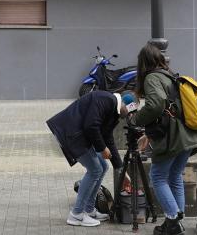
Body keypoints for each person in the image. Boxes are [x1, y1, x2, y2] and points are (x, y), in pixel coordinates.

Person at [131, 43, 197, 235]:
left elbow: (156, 105)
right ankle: (177, 218)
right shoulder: (171, 77)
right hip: (188, 136)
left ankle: (173, 221)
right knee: (174, 175)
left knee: (158, 177)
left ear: (143, 63)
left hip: (173, 138)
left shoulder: (152, 78)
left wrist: (136, 119)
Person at [47, 90, 134, 227]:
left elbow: (108, 138)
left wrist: (120, 169)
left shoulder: (113, 111)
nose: (129, 115)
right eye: (130, 111)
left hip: (78, 135)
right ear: (126, 104)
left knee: (103, 167)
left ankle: (89, 209)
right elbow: (90, 126)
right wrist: (102, 148)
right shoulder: (107, 100)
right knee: (95, 170)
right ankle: (76, 215)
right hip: (71, 134)